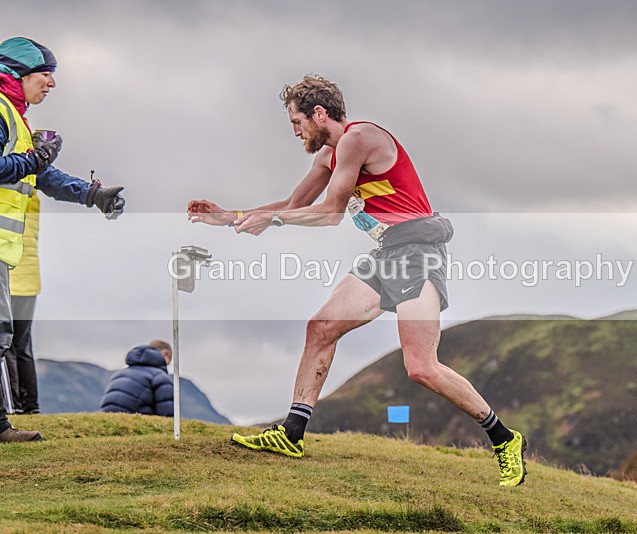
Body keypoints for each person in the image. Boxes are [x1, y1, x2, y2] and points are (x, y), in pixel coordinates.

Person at [187, 75, 527, 487]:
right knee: (321, 328)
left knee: (421, 367)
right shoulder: (328, 157)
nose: (296, 133)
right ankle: (291, 434)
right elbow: (296, 205)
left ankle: (504, 438)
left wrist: (271, 220)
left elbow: (330, 213)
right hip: (387, 253)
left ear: (319, 113)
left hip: (418, 251)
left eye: (297, 123)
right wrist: (231, 217)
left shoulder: (358, 137)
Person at [0, 36, 126, 443]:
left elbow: (38, 177)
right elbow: (20, 167)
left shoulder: (15, 116)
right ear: (18, 74)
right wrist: (34, 159)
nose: (51, 84)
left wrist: (91, 194)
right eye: (46, 74)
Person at [6, 191, 42, 415]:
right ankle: (31, 406)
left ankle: (14, 404)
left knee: (6, 343)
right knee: (23, 344)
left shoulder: (8, 198)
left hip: (8, 279)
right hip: (30, 281)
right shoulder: (33, 197)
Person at [100, 340, 174, 416]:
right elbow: (167, 416)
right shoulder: (161, 378)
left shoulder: (118, 374)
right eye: (167, 363)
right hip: (135, 423)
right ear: (165, 354)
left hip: (105, 422)